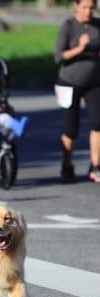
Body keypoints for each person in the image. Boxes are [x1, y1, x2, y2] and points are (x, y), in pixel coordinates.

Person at [55, 0, 100, 183]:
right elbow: (59, 56)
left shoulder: (98, 25)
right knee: (71, 128)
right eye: (84, 7)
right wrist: (80, 48)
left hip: (94, 81)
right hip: (69, 82)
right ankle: (67, 163)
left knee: (99, 123)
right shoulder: (68, 26)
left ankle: (95, 164)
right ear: (76, 6)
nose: (88, 11)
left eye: (92, 8)